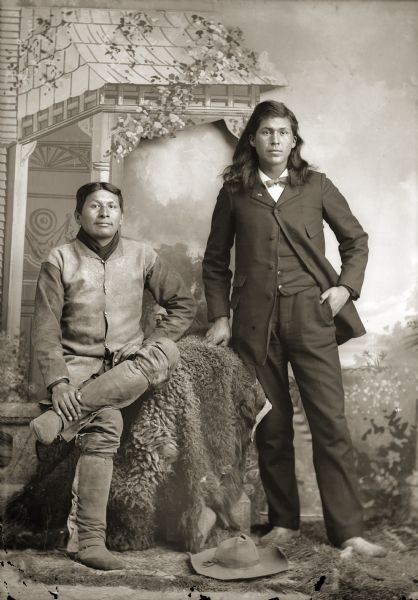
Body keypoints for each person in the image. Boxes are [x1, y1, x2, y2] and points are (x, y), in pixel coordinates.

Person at [202, 100, 386, 557]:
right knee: (272, 426)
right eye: (267, 132)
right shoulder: (235, 192)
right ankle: (283, 523)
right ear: (253, 138)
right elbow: (215, 262)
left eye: (284, 132)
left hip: (312, 317)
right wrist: (221, 317)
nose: (276, 140)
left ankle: (348, 532)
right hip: (253, 326)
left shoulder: (316, 185)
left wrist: (345, 288)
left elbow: (356, 241)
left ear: (294, 139)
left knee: (330, 424)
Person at [30, 181, 196, 570]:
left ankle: (64, 417)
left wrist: (153, 340)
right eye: (94, 206)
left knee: (166, 351)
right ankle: (88, 542)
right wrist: (58, 382)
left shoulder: (142, 255)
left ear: (122, 215)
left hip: (132, 362)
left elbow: (182, 303)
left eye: (111, 207)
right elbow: (45, 329)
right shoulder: (59, 259)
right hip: (78, 367)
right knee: (105, 422)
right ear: (78, 215)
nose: (103, 213)